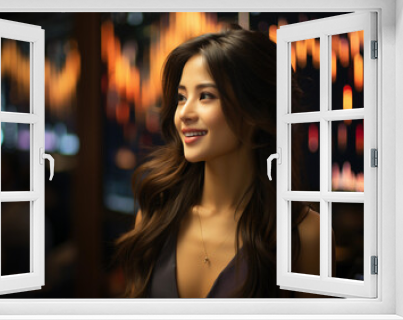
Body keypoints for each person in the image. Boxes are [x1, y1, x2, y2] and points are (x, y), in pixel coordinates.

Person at [115, 25, 322, 298]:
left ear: (254, 110)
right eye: (181, 97)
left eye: (206, 96)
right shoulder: (155, 216)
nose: (184, 113)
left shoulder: (306, 234)